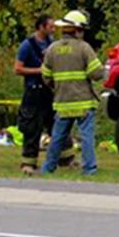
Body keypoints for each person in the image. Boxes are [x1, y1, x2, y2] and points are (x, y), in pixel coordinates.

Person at [41, 10, 104, 175]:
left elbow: (46, 76)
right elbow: (96, 73)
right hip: (83, 102)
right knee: (87, 137)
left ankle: (48, 168)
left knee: (57, 137)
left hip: (62, 101)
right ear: (77, 30)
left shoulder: (52, 49)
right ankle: (89, 169)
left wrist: (58, 87)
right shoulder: (84, 48)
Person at [14, 15, 73, 174]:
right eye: (51, 27)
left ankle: (66, 159)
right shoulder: (27, 45)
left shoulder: (51, 44)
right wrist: (38, 71)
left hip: (50, 91)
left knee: (58, 124)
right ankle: (29, 163)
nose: (53, 30)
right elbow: (18, 68)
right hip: (33, 91)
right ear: (41, 27)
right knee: (32, 127)